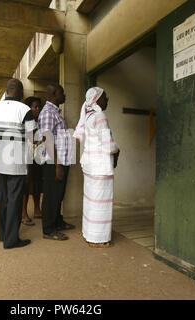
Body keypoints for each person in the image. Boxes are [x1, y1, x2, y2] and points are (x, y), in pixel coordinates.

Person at [0, 79, 36, 249]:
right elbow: (32, 137)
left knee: (2, 199)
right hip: (17, 163)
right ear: (21, 92)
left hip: (1, 162)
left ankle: (3, 234)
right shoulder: (25, 110)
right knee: (15, 201)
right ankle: (11, 240)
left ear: (7, 91)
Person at [73, 87, 120, 248]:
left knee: (91, 201)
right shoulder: (100, 116)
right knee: (101, 203)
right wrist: (117, 148)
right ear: (97, 99)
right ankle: (98, 239)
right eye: (105, 97)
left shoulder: (88, 116)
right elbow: (108, 145)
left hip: (90, 165)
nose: (107, 100)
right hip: (100, 167)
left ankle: (89, 234)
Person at [38, 84, 75, 241]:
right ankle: (48, 229)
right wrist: (58, 165)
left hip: (61, 161)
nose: (64, 95)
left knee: (58, 195)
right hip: (54, 162)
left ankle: (57, 221)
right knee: (51, 196)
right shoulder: (47, 113)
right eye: (62, 93)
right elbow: (47, 139)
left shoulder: (55, 112)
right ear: (54, 94)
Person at [21, 96, 43, 226]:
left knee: (37, 183)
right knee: (26, 184)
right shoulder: (24, 122)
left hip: (39, 156)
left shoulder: (40, 121)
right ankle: (23, 212)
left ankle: (37, 209)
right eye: (35, 107)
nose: (38, 109)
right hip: (26, 156)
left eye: (39, 107)